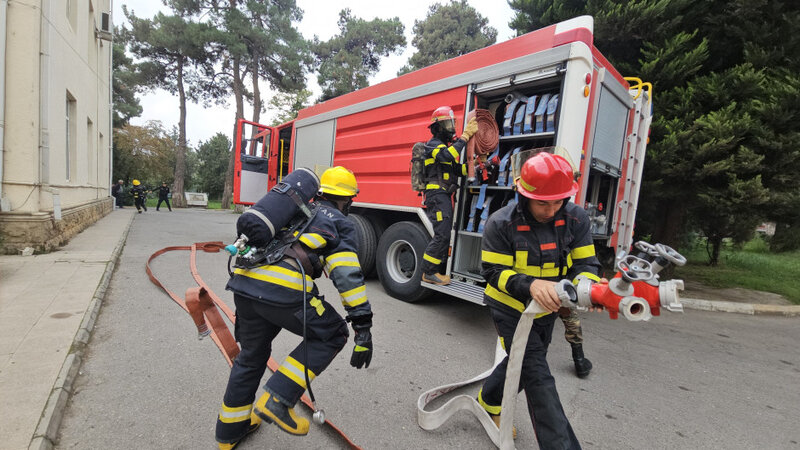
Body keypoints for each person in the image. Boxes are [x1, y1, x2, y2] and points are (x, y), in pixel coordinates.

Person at [215, 166, 374, 449]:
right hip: (284, 292)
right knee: (334, 333)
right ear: (347, 200)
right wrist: (362, 327)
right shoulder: (339, 221)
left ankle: (229, 432)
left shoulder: (293, 210)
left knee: (251, 355)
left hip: (245, 284)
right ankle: (277, 399)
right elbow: (347, 276)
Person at [477, 152, 602, 449]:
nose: (551, 210)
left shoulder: (575, 218)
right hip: (509, 307)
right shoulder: (501, 223)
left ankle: (488, 400)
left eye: (558, 202)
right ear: (524, 195)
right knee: (537, 374)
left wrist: (588, 288)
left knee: (521, 363)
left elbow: (588, 264)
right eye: (543, 203)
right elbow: (493, 273)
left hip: (548, 308)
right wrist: (531, 285)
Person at [420, 106, 478, 285]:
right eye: (446, 123)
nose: (450, 127)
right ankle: (429, 272)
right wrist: (465, 136)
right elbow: (447, 156)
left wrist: (475, 165)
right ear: (436, 127)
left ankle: (432, 271)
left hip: (443, 195)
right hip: (436, 195)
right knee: (442, 234)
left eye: (451, 123)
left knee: (444, 234)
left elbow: (456, 170)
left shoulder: (445, 148)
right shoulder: (433, 145)